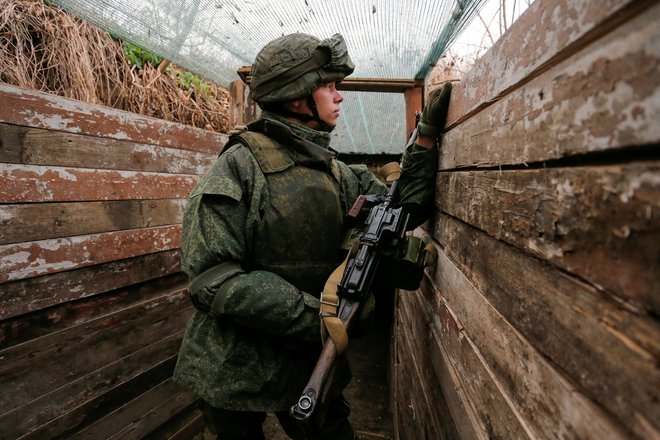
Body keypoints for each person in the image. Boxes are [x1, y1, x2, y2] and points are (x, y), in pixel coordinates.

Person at [173, 32, 452, 440]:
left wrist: (424, 138)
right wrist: (317, 318)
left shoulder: (336, 172)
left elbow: (402, 210)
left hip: (309, 359)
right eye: (328, 85)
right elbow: (210, 277)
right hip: (233, 363)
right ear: (297, 96)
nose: (338, 96)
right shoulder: (239, 166)